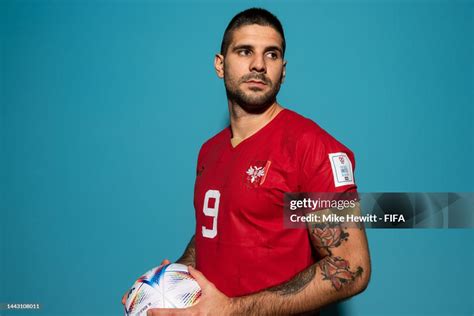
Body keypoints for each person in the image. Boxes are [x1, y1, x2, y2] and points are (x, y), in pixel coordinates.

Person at [124, 7, 371, 315]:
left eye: (272, 55)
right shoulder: (210, 151)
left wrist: (232, 309)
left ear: (283, 68)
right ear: (220, 64)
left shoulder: (311, 146)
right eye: (244, 51)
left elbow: (351, 267)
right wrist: (169, 280)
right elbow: (218, 229)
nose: (258, 65)